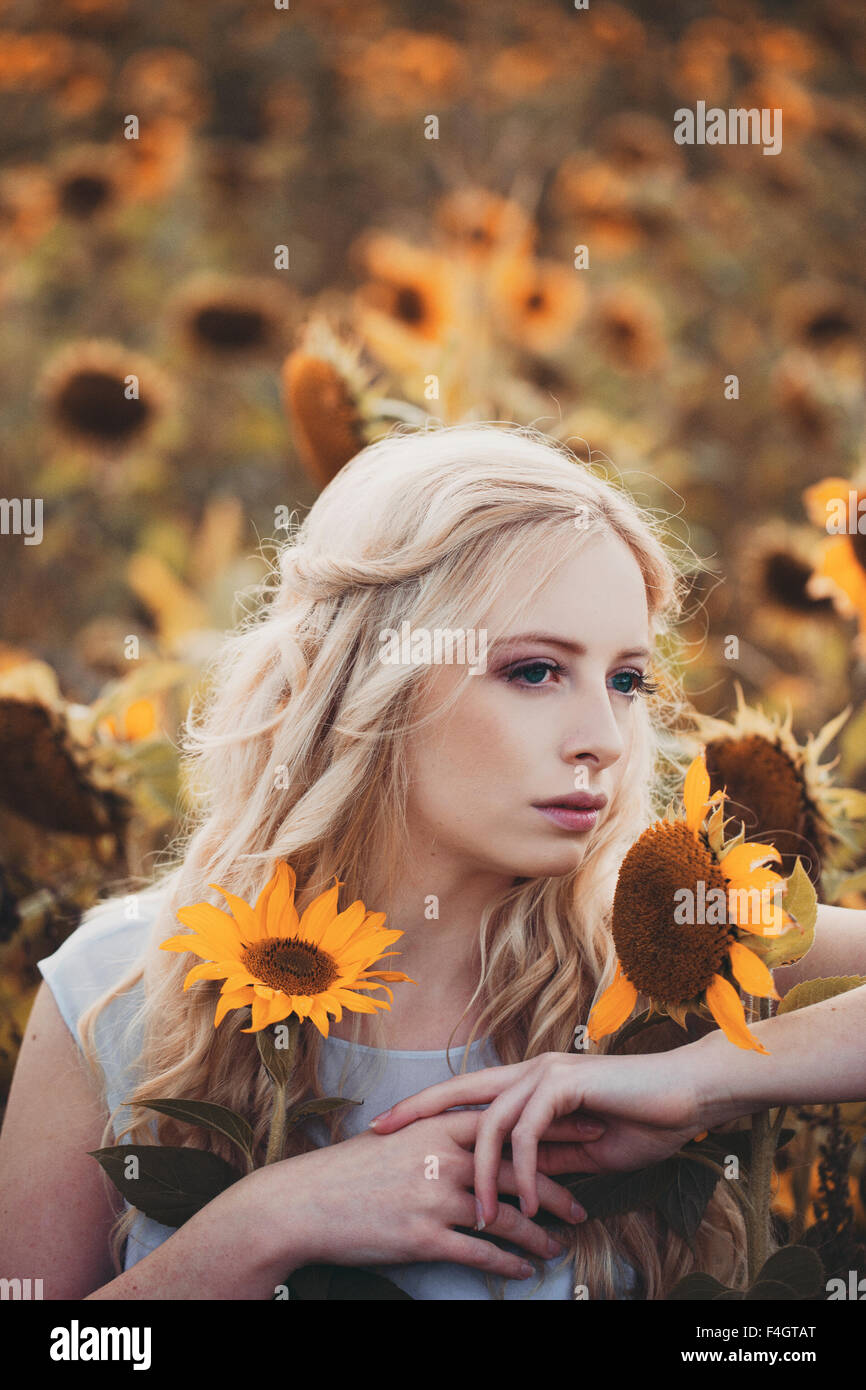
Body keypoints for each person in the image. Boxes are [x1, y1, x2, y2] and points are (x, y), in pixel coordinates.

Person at [1, 422, 864, 1302]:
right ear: (366, 678)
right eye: (534, 672)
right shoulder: (120, 988)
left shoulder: (668, 952)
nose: (603, 740)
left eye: (626, 680)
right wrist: (262, 1226)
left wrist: (692, 1080)